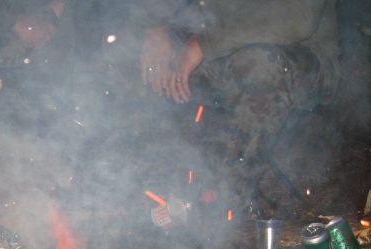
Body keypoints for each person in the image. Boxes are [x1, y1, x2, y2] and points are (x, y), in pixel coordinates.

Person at [139, 0, 340, 222]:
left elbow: (299, 17)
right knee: (132, 63)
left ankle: (221, 207)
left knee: (258, 65)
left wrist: (204, 44)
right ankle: (130, 194)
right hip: (220, 48)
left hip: (299, 56)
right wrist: (155, 28)